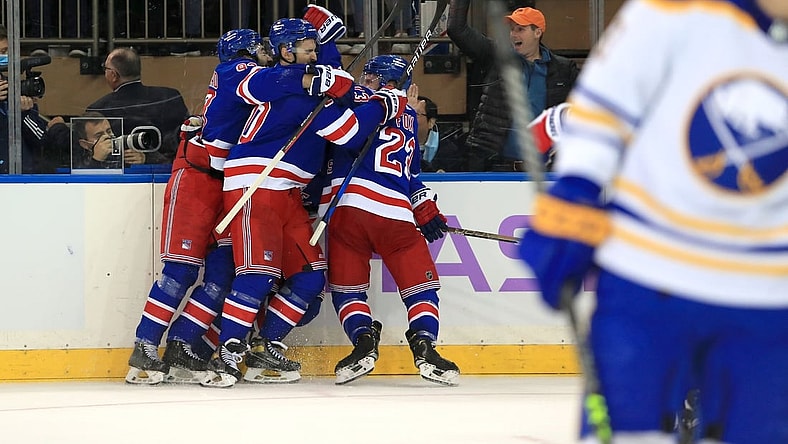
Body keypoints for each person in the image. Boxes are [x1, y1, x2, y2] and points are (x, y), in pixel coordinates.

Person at [518, 0, 788, 442]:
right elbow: (602, 111)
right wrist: (575, 192)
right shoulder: (671, 10)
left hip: (770, 303)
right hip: (646, 280)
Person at [200, 17, 406, 388]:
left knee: (312, 277)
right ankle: (227, 355)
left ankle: (264, 345)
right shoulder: (296, 92)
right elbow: (350, 134)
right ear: (286, 51)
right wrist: (383, 104)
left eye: (316, 50)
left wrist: (357, 94)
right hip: (256, 186)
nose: (315, 57)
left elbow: (340, 104)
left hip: (287, 194)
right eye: (308, 51)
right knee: (257, 274)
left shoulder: (306, 88)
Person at [322, 54, 460, 386]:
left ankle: (364, 342)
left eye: (369, 77)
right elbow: (411, 174)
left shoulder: (359, 102)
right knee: (422, 289)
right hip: (396, 215)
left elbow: (339, 132)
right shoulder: (410, 118)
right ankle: (425, 345)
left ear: (385, 83)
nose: (363, 82)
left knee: (348, 290)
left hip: (349, 209)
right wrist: (421, 200)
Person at [446, 0, 579, 172]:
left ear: (537, 32)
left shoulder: (563, 69)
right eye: (512, 29)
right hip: (497, 166)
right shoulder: (497, 57)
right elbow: (457, 30)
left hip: (547, 170)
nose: (513, 35)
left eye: (520, 29)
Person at [86, 47, 189, 165]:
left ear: (114, 75)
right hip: (171, 173)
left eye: (106, 69)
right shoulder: (170, 96)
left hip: (119, 180)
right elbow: (185, 141)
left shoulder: (99, 108)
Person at [0, 25, 68, 174]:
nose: (5, 56)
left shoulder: (15, 90)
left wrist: (22, 115)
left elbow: (41, 140)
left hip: (22, 178)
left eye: (6, 51)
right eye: (1, 52)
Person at [406, 84, 467, 172]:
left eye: (416, 114)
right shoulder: (393, 144)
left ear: (431, 122)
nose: (409, 118)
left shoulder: (448, 151)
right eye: (407, 114)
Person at [70, 113, 146, 169]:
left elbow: (157, 160)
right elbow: (81, 183)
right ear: (84, 144)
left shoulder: (123, 147)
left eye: (109, 131)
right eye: (99, 135)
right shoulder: (77, 159)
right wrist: (96, 160)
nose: (107, 137)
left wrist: (144, 159)